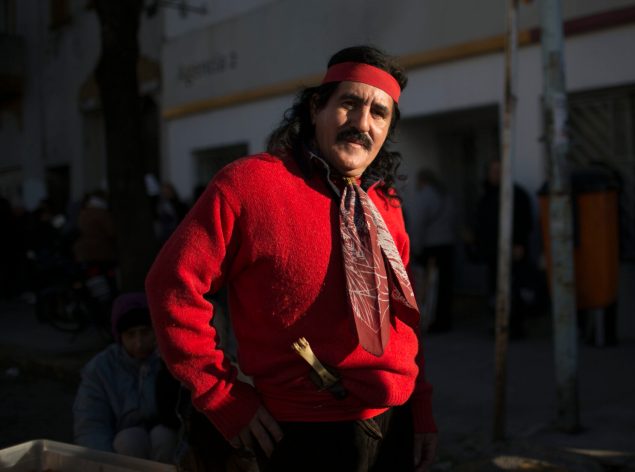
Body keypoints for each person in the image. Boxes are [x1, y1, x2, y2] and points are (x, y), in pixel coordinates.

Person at [145, 46, 437, 471]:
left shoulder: (385, 203)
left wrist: (422, 410)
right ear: (317, 107)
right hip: (299, 432)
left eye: (379, 113)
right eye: (349, 104)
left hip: (393, 424)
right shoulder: (249, 185)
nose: (362, 123)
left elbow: (404, 321)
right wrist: (219, 394)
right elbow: (171, 285)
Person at [73, 292, 179, 462]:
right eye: (131, 334)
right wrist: (105, 464)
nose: (139, 342)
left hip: (167, 443)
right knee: (129, 440)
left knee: (164, 437)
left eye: (145, 332)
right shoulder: (100, 369)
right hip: (123, 447)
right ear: (119, 337)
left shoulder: (171, 361)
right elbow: (91, 423)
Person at [473, 160, 536, 338]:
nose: (495, 174)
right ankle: (498, 325)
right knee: (495, 288)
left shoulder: (516, 195)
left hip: (512, 252)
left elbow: (524, 222)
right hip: (493, 252)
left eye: (498, 171)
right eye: (493, 170)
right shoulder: (487, 195)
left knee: (514, 289)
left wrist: (519, 244)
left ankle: (515, 327)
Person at [408, 168, 457, 333]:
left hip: (431, 247)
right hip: (447, 245)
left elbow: (417, 223)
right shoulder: (446, 196)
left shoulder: (424, 196)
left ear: (422, 180)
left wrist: (416, 247)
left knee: (430, 287)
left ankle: (431, 320)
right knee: (445, 286)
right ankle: (445, 319)